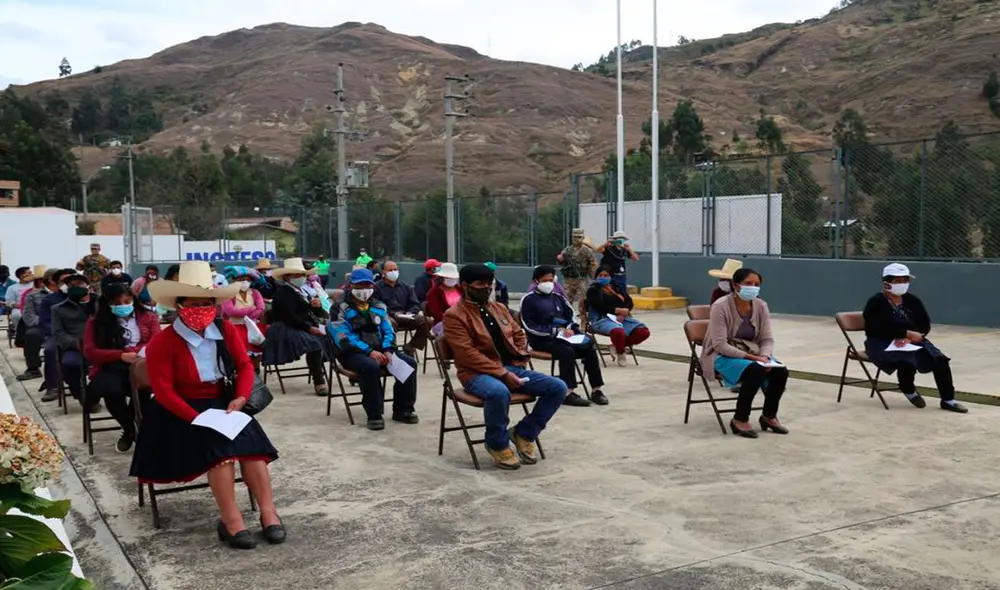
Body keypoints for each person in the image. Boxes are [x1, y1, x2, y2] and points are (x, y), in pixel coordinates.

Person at [132, 261, 285, 549]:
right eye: (195, 303)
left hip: (223, 403)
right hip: (178, 409)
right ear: (179, 305)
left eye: (207, 303)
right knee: (221, 454)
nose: (202, 309)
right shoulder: (162, 342)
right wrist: (196, 418)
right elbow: (164, 392)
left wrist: (240, 398)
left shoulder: (225, 330)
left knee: (253, 450)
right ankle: (231, 520)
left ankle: (269, 512)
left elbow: (245, 366)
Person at [443, 263, 567, 470]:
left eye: (489, 283)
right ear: (465, 285)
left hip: (511, 368)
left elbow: (518, 333)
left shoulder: (499, 308)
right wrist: (501, 373)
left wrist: (520, 354)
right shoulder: (454, 315)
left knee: (558, 387)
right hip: (476, 374)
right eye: (479, 284)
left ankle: (524, 433)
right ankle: (497, 443)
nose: (486, 288)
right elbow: (467, 354)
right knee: (499, 392)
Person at [862, 263, 967, 413]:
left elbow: (924, 324)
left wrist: (910, 338)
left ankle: (948, 399)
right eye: (897, 281)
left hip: (912, 339)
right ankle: (908, 389)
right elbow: (876, 327)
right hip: (881, 342)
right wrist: (904, 334)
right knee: (907, 360)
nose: (902, 284)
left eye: (905, 280)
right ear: (887, 283)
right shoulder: (876, 302)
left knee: (940, 360)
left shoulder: (912, 300)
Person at [702, 267, 789, 439]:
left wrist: (764, 356)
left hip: (753, 352)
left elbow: (767, 339)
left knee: (781, 371)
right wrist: (754, 359)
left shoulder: (761, 306)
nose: (753, 287)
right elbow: (719, 344)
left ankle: (769, 416)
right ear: (735, 285)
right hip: (722, 355)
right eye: (748, 283)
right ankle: (740, 419)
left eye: (757, 284)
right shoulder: (720, 306)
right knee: (755, 370)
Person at [331, 268, 419, 430]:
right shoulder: (340, 308)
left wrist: (387, 349)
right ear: (351, 286)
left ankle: (403, 409)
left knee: (409, 364)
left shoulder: (379, 306)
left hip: (381, 350)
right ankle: (374, 414)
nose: (364, 290)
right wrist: (369, 352)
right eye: (360, 286)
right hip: (353, 353)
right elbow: (342, 337)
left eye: (368, 286)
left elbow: (388, 330)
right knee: (370, 367)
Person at [83, 284, 160, 452]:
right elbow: (90, 352)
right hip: (111, 366)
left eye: (127, 301)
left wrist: (137, 352)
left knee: (144, 391)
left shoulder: (147, 316)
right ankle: (130, 429)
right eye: (117, 303)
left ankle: (136, 428)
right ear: (108, 303)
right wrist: (120, 355)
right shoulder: (97, 322)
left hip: (141, 364)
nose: (123, 306)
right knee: (111, 391)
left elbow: (156, 340)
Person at [520, 265, 607, 407]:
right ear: (536, 281)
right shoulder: (529, 299)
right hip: (542, 339)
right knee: (566, 351)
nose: (548, 283)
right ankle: (568, 392)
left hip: (564, 337)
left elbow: (571, 316)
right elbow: (528, 325)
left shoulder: (558, 297)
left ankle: (596, 389)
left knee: (589, 348)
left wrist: (569, 328)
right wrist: (554, 331)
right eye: (544, 280)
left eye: (551, 279)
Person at [262, 258, 333, 395]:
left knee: (327, 340)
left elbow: (307, 312)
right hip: (284, 328)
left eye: (302, 275)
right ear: (287, 277)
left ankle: (316, 367)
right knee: (314, 344)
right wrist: (309, 328)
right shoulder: (283, 294)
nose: (301, 277)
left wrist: (316, 307)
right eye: (297, 275)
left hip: (300, 325)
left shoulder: (301, 291)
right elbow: (289, 317)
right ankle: (319, 381)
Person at [586, 266, 651, 366]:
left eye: (606, 275)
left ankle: (616, 347)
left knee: (643, 332)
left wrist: (626, 311)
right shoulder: (593, 290)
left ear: (610, 277)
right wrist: (618, 310)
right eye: (600, 275)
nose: (603, 277)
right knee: (618, 331)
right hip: (602, 319)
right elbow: (599, 307)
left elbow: (629, 301)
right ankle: (621, 353)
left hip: (622, 318)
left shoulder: (616, 287)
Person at [52, 274, 94, 403]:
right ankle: (82, 396)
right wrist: (75, 343)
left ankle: (94, 394)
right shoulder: (58, 309)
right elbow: (58, 333)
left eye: (80, 284)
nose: (76, 287)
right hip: (76, 347)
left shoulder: (101, 303)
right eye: (72, 285)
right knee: (69, 365)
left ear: (87, 286)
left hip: (101, 346)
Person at [375, 260, 431, 355]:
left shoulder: (405, 287)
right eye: (390, 270)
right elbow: (377, 305)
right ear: (383, 272)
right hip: (389, 316)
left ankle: (411, 346)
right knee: (388, 324)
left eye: (395, 269)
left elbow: (415, 303)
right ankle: (392, 351)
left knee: (427, 321)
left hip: (406, 316)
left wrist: (410, 312)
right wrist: (394, 314)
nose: (393, 272)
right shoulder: (377, 287)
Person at [37, 268, 76, 402]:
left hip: (80, 334)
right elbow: (44, 322)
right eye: (64, 281)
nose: (68, 284)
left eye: (71, 280)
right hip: (57, 335)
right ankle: (52, 386)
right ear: (57, 283)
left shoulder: (84, 297)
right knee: (50, 350)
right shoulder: (50, 300)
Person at [220, 266, 266, 371]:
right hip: (233, 327)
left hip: (253, 326)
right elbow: (231, 311)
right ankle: (241, 370)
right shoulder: (228, 293)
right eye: (241, 279)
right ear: (233, 280)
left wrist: (246, 315)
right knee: (239, 351)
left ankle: (255, 370)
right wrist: (251, 309)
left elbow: (261, 308)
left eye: (248, 279)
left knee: (256, 349)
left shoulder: (255, 293)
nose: (245, 282)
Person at [16, 269, 58, 382]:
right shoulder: (32, 295)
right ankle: (33, 368)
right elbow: (28, 315)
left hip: (63, 326)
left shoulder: (67, 294)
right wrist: (44, 322)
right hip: (42, 326)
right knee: (31, 334)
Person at [557, 228, 597, 307]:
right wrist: (560, 259)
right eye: (575, 237)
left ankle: (583, 319)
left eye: (579, 237)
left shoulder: (587, 251)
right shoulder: (567, 250)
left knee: (582, 302)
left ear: (582, 238)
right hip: (569, 280)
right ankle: (568, 318)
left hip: (581, 279)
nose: (576, 239)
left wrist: (593, 276)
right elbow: (561, 262)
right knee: (566, 301)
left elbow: (593, 264)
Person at [425, 262, 462, 333]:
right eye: (448, 277)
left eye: (453, 277)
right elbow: (436, 313)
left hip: (462, 321)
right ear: (442, 278)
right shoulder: (433, 293)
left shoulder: (461, 290)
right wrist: (452, 321)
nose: (451, 279)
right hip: (442, 323)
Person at [6, 266, 34, 337]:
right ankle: (21, 333)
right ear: (21, 275)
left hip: (35, 307)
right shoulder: (12, 288)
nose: (31, 274)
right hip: (19, 308)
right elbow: (9, 302)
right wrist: (20, 306)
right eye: (29, 273)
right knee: (16, 315)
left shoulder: (36, 285)